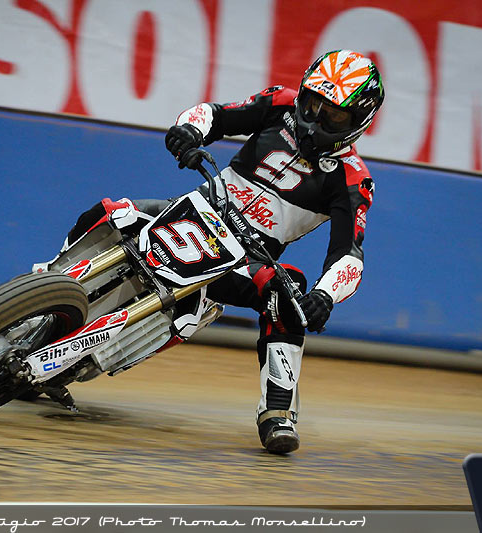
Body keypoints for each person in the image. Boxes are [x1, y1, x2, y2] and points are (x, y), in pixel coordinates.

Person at [163, 50, 385, 454]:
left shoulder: (353, 180)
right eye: (313, 103)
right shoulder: (278, 103)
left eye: (333, 115)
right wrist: (189, 131)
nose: (316, 118)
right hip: (188, 218)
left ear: (359, 121)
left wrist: (325, 294)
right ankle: (47, 286)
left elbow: (349, 254)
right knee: (112, 210)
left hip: (240, 261)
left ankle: (278, 413)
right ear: (302, 94)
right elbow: (215, 114)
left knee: (290, 288)